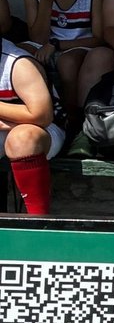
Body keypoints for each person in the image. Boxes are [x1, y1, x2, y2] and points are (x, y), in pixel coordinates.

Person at [23, 0, 106, 119]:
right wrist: (46, 1)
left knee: (67, 63)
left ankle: (72, 117)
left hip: (77, 46)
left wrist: (57, 44)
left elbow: (99, 38)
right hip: (45, 46)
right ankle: (37, 108)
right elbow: (36, 38)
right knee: (20, 53)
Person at [0, 38, 65, 215]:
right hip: (4, 128)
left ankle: (38, 223)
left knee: (22, 138)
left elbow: (41, 115)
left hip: (43, 131)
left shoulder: (18, 63)